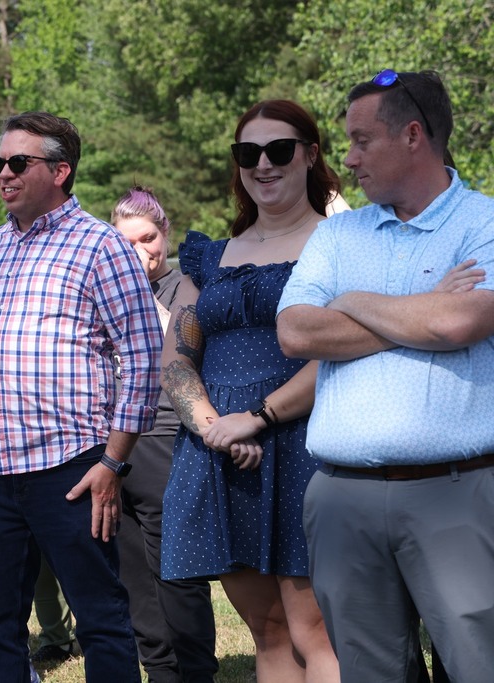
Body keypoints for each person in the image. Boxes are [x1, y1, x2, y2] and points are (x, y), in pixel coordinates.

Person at [276, 69, 494, 683]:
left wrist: (350, 299)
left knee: (479, 664)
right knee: (371, 673)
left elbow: (462, 322)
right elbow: (295, 332)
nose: (347, 158)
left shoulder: (484, 223)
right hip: (342, 499)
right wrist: (423, 303)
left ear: (413, 136)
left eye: (361, 140)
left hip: (458, 494)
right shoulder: (339, 232)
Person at [0, 111, 161, 683]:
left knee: (100, 620)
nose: (3, 173)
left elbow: (142, 357)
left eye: (19, 162)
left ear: (61, 170)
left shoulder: (101, 246)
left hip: (72, 469)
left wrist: (113, 462)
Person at [159, 100, 340, 682]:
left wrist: (258, 418)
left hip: (306, 449)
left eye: (279, 149)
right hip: (221, 454)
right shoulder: (209, 257)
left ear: (310, 155)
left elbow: (343, 355)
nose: (263, 163)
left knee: (319, 636)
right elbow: (177, 361)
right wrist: (217, 427)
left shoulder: (341, 244)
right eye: (248, 152)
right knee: (268, 636)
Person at [112, 186, 219, 683]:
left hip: (167, 437)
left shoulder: (186, 286)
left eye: (148, 238)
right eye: (127, 242)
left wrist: (135, 295)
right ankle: (160, 670)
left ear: (165, 232)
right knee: (132, 570)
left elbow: (183, 345)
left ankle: (196, 671)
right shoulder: (106, 290)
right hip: (116, 442)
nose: (141, 250)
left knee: (176, 570)